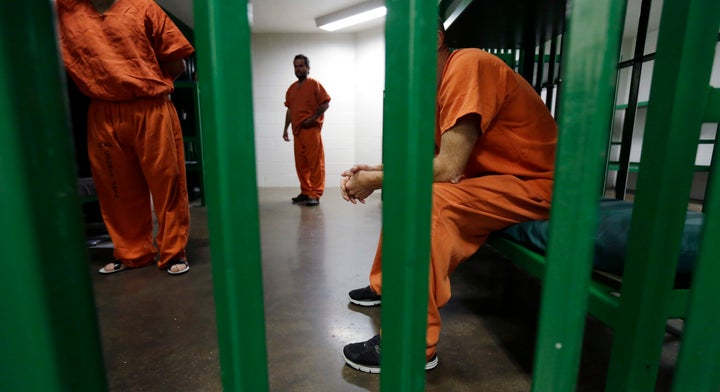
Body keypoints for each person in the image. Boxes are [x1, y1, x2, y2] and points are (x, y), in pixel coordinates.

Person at [339, 22, 558, 373]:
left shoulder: (467, 66)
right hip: (494, 179)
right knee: (412, 191)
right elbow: (428, 158)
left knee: (427, 201)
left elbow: (449, 167)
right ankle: (386, 285)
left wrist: (376, 180)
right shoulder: (437, 87)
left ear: (436, 39)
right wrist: (374, 168)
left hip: (536, 184)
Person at [56, 0, 194, 275]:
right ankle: (132, 253)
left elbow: (176, 63)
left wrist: (142, 80)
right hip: (103, 110)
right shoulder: (65, 9)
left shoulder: (143, 7)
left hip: (150, 105)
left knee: (167, 184)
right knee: (116, 189)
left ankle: (173, 253)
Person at [283, 54, 331, 207]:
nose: (298, 69)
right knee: (301, 164)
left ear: (308, 68)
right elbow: (290, 110)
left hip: (311, 131)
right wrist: (285, 129)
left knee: (315, 163)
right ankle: (306, 191)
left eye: (301, 65)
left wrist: (313, 119)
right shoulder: (291, 89)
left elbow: (325, 104)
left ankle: (315, 194)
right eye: (296, 66)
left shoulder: (314, 84)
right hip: (297, 132)